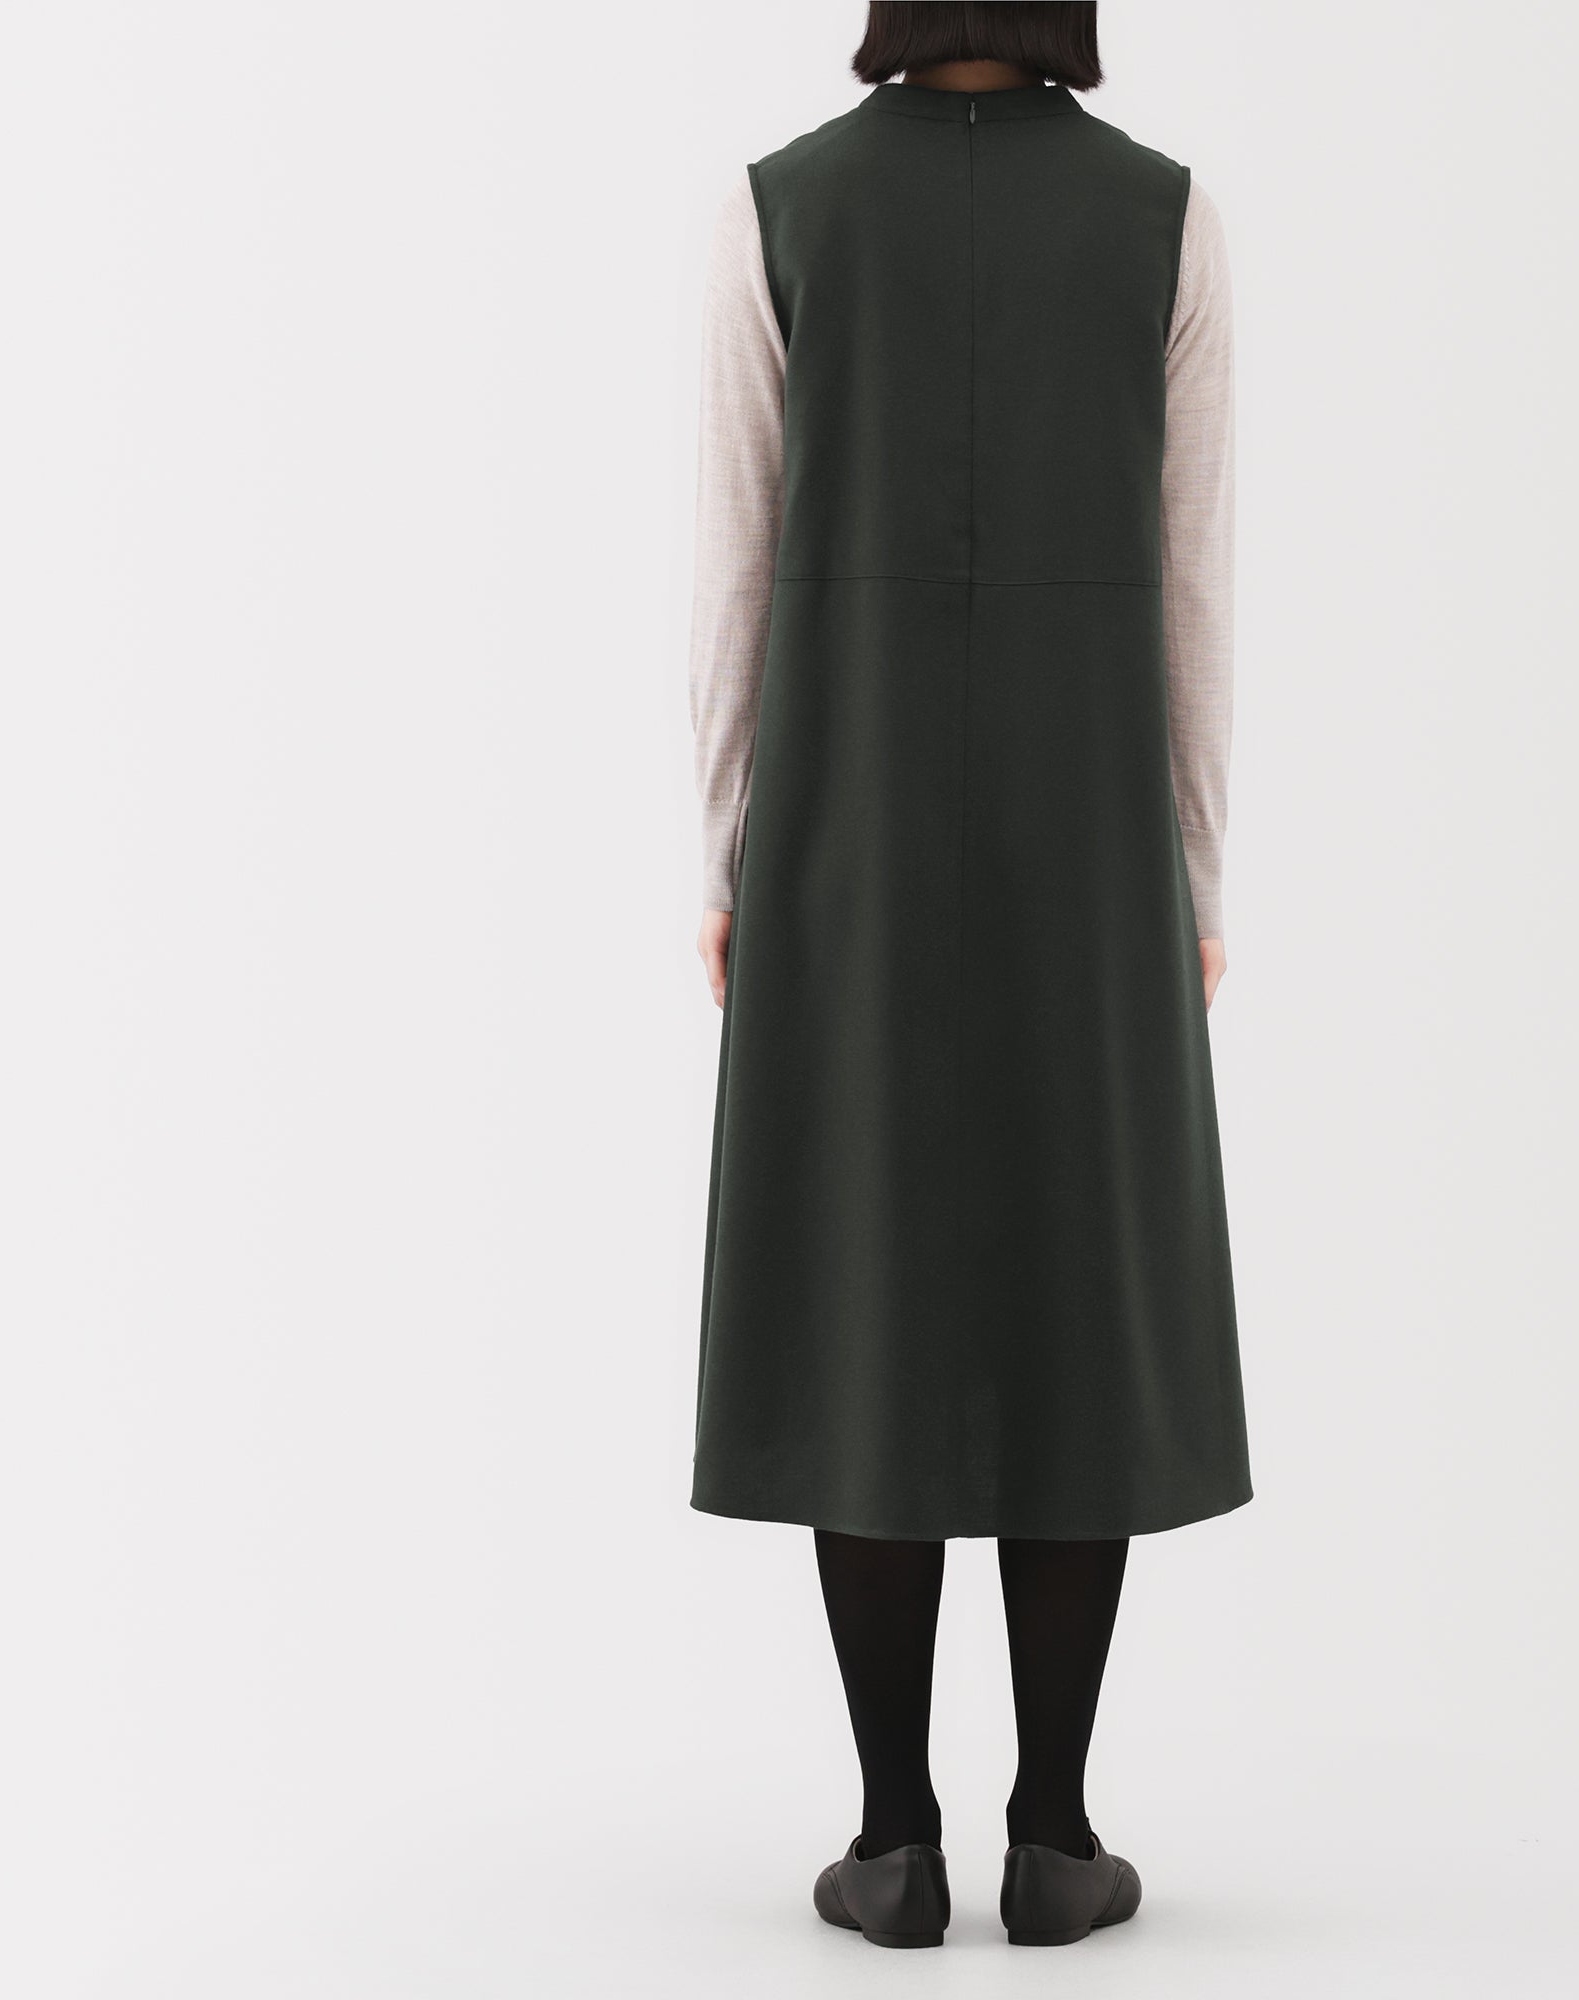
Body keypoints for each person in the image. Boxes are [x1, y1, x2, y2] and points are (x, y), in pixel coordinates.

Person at [686, 0, 1250, 1948]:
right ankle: (1059, 1834)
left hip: (842, 816)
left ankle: (892, 1837)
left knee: (866, 1280)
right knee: (1076, 1285)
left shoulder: (780, 209)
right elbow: (1192, 574)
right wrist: (1189, 869)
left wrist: (727, 851)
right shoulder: (1166, 216)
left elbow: (735, 558)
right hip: (1090, 822)